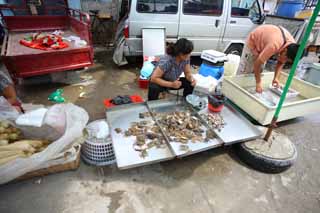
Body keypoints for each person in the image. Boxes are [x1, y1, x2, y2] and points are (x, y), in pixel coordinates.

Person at [237, 24, 300, 93]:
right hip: (254, 40)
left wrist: (275, 78)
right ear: (285, 51)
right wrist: (258, 83)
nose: (284, 61)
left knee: (259, 70)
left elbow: (281, 62)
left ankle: (252, 88)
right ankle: (238, 90)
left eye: (287, 61)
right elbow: (257, 64)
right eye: (286, 59)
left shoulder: (292, 46)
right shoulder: (274, 45)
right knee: (246, 70)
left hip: (267, 42)